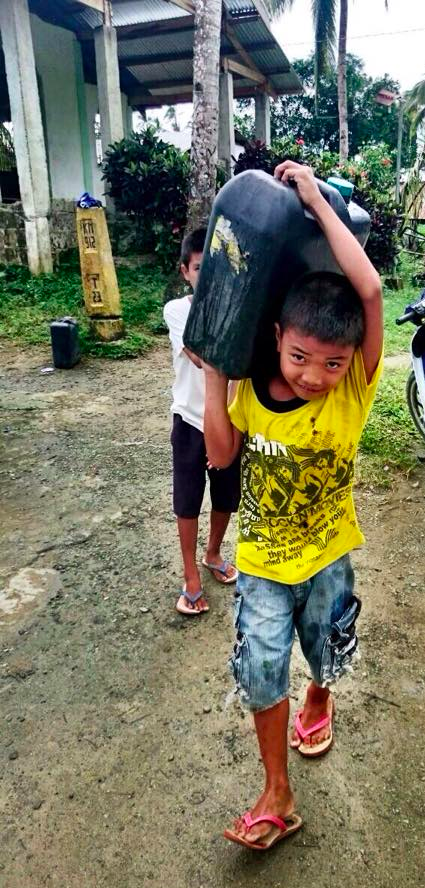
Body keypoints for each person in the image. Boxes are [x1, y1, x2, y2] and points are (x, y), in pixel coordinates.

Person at [203, 161, 384, 849]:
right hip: (263, 563)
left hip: (328, 556)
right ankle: (277, 794)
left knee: (327, 651)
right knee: (259, 664)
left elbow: (366, 288)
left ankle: (321, 695)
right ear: (276, 335)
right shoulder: (250, 389)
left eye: (332, 364)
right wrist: (218, 360)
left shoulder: (352, 392)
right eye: (301, 356)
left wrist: (312, 196)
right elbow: (221, 458)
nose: (314, 376)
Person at [164, 227, 241, 616]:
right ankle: (190, 574)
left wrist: (228, 434)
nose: (205, 276)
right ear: (185, 272)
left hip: (229, 423)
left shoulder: (240, 309)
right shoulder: (178, 311)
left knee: (227, 497)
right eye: (198, 268)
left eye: (213, 268)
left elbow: (244, 372)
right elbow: (201, 357)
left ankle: (213, 553)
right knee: (188, 500)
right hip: (191, 421)